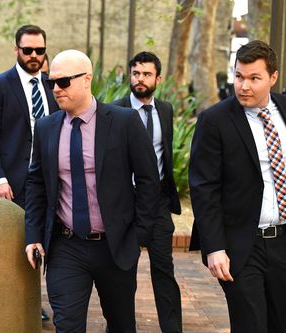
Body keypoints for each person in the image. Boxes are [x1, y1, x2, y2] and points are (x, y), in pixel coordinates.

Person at [24, 49, 160, 332]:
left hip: (115, 246)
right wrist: (34, 235)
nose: (55, 89)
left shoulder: (123, 122)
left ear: (87, 79)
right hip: (65, 246)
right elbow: (37, 183)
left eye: (63, 82)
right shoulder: (47, 127)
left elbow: (149, 181)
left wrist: (138, 236)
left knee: (122, 325)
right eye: (51, 82)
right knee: (68, 325)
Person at [188, 40, 286, 333]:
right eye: (239, 76)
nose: (244, 86)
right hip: (240, 244)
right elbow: (204, 188)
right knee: (250, 325)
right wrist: (214, 246)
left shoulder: (285, 106)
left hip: (281, 240)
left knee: (282, 323)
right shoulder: (214, 120)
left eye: (254, 78)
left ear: (273, 78)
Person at [113, 51, 182, 333]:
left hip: (158, 204)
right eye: (136, 73)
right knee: (122, 273)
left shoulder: (165, 110)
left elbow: (165, 153)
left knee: (164, 270)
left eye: (146, 74)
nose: (140, 80)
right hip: (124, 204)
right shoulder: (114, 111)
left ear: (158, 79)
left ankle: (172, 329)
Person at [0, 24, 58, 208]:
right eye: (27, 50)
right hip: (7, 185)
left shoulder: (53, 86)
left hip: (43, 181)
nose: (34, 55)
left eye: (39, 50)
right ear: (16, 49)